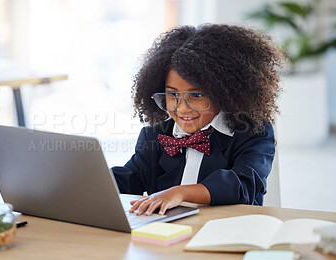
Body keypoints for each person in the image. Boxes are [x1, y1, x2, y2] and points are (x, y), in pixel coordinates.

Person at [111, 24, 283, 216]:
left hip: (228, 230)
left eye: (196, 95)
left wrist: (179, 193)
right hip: (165, 235)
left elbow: (242, 185)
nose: (182, 108)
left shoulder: (253, 133)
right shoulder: (156, 133)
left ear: (223, 93)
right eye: (172, 95)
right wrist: (86, 180)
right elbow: (131, 177)